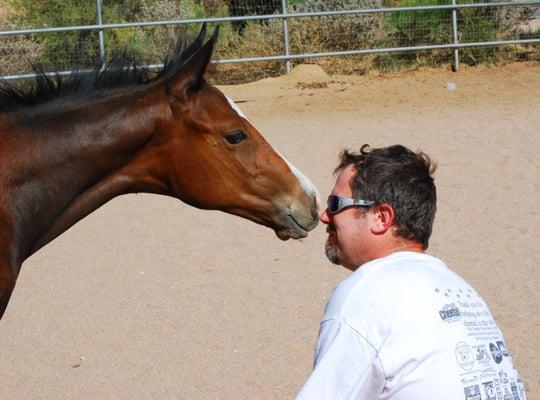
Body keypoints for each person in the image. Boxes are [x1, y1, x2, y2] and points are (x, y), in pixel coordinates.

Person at [296, 145, 527, 400]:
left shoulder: (366, 293)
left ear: (381, 218)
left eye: (335, 203)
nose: (325, 216)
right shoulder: (462, 291)